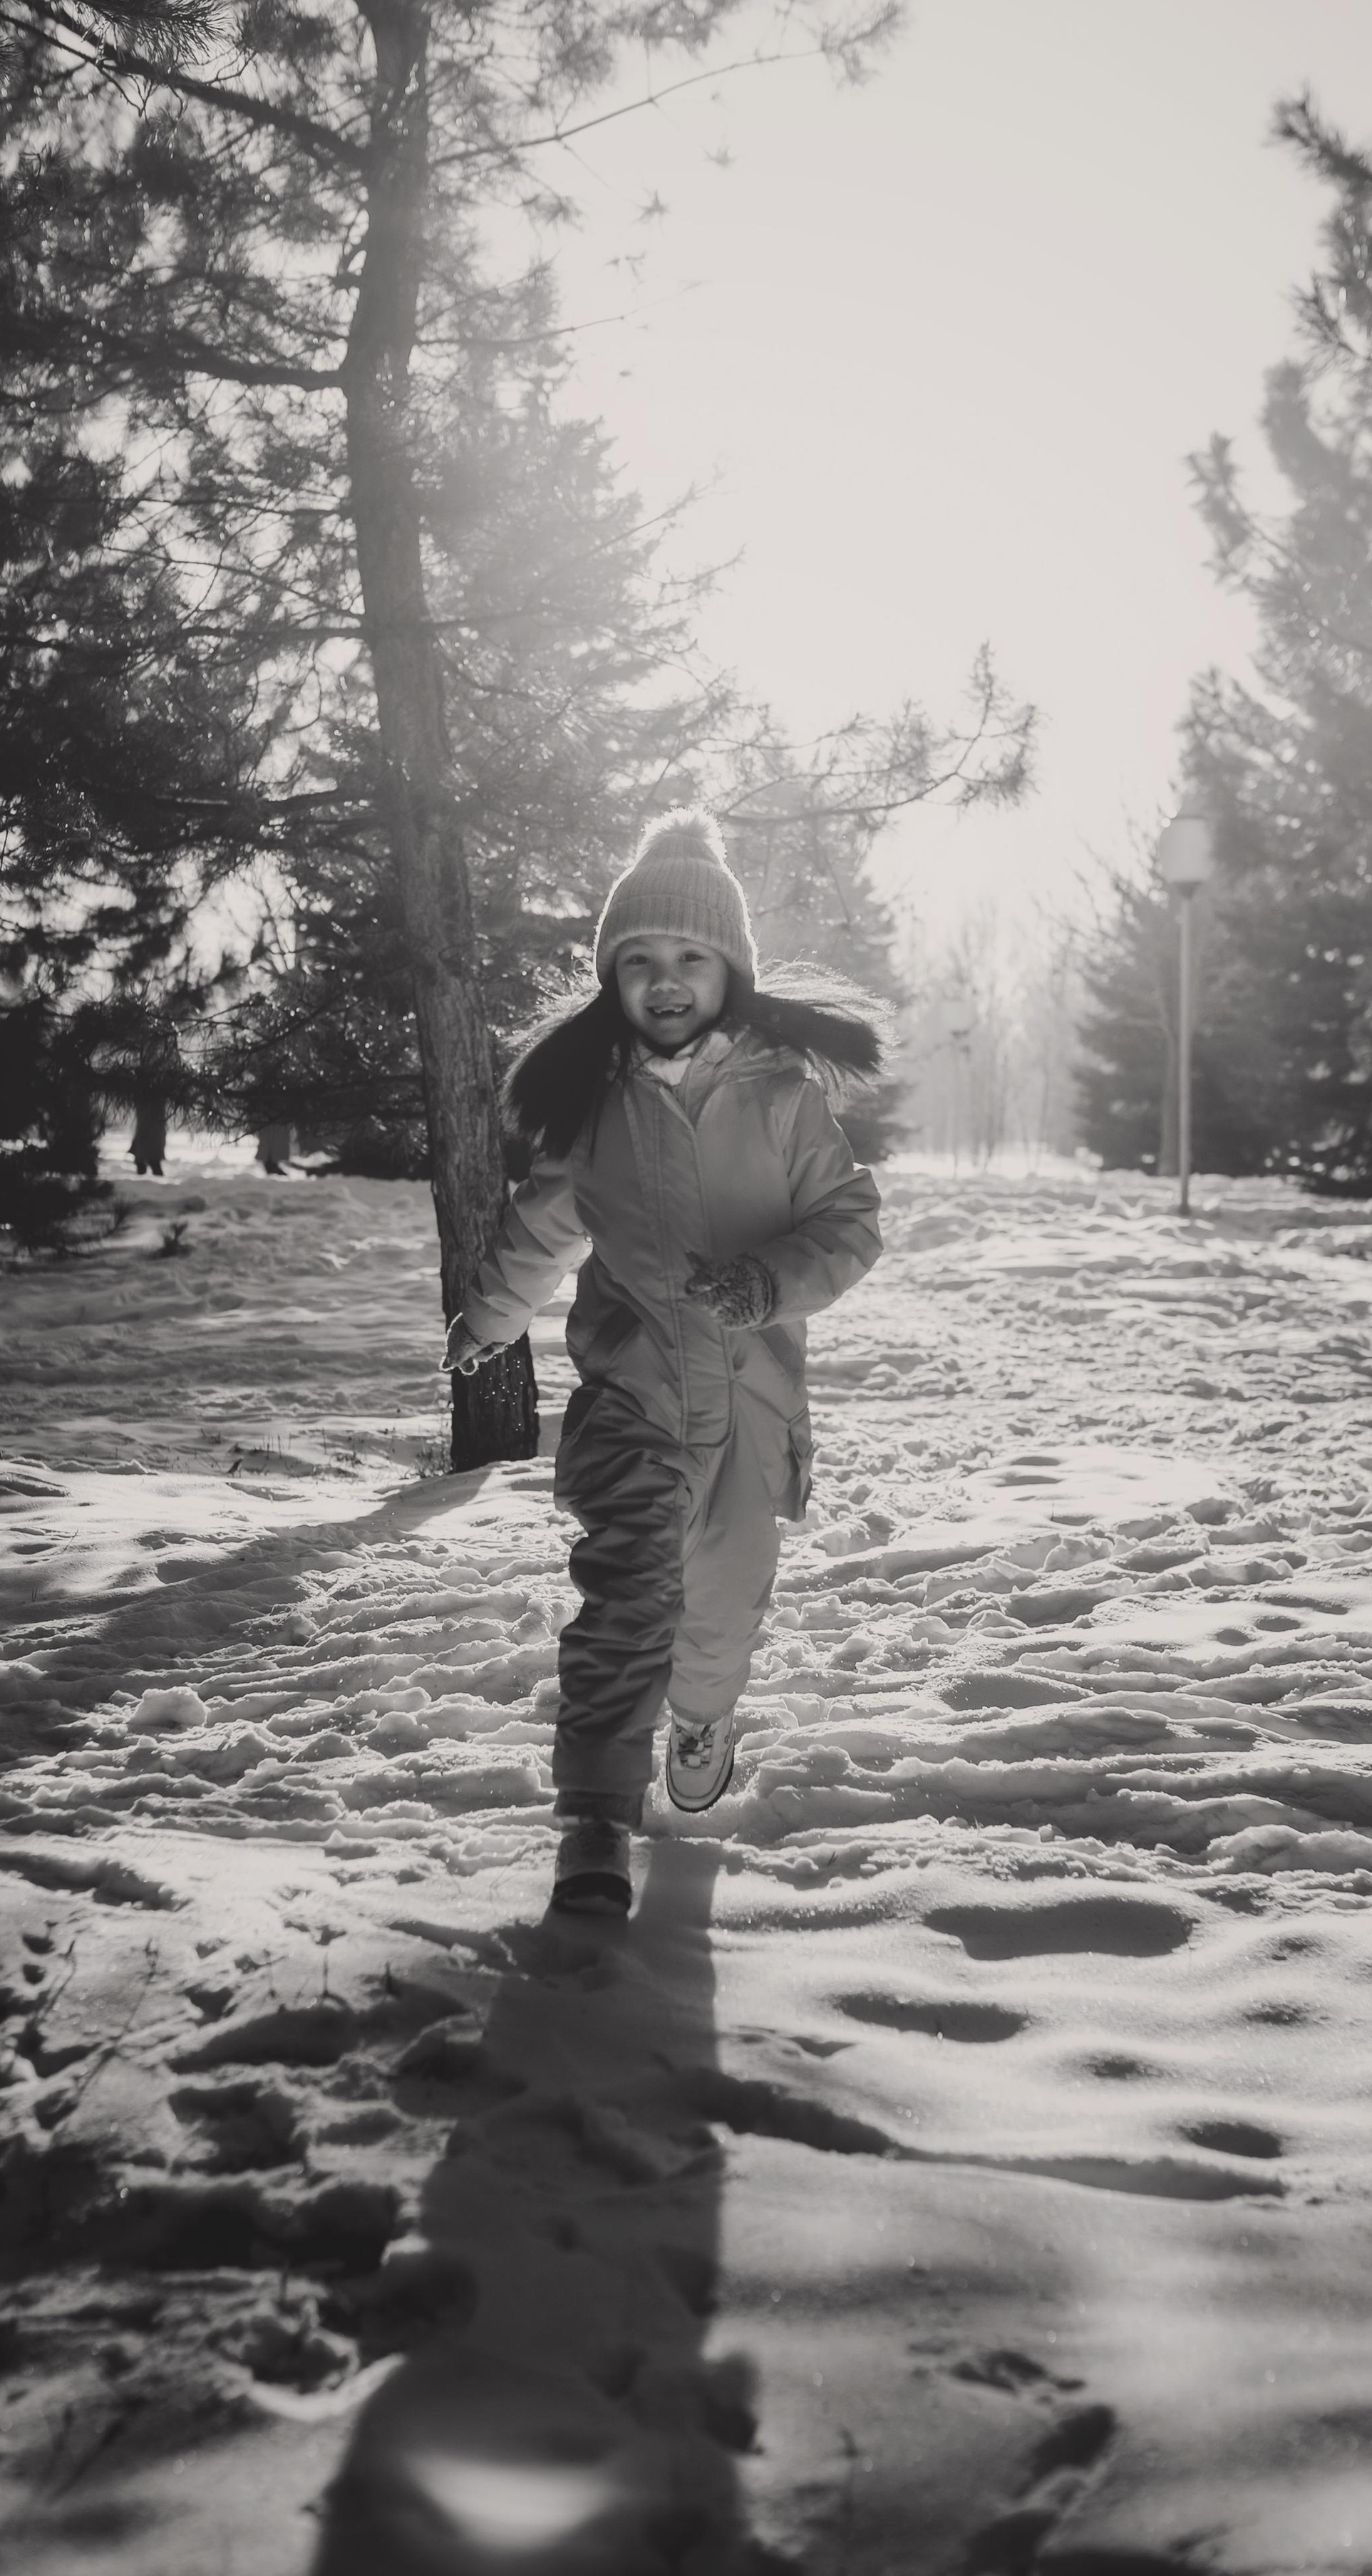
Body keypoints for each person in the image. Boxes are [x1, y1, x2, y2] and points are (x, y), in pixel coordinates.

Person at [444, 811, 884, 1916]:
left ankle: (704, 1714)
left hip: (748, 1415)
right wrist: (493, 1318)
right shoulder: (594, 1112)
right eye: (638, 961)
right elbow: (542, 1230)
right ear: (612, 981)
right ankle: (594, 1821)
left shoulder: (786, 1100)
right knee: (624, 1602)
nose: (665, 979)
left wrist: (770, 1282)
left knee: (720, 1619)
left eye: (690, 958)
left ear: (730, 970)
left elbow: (849, 1225)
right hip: (632, 1402)